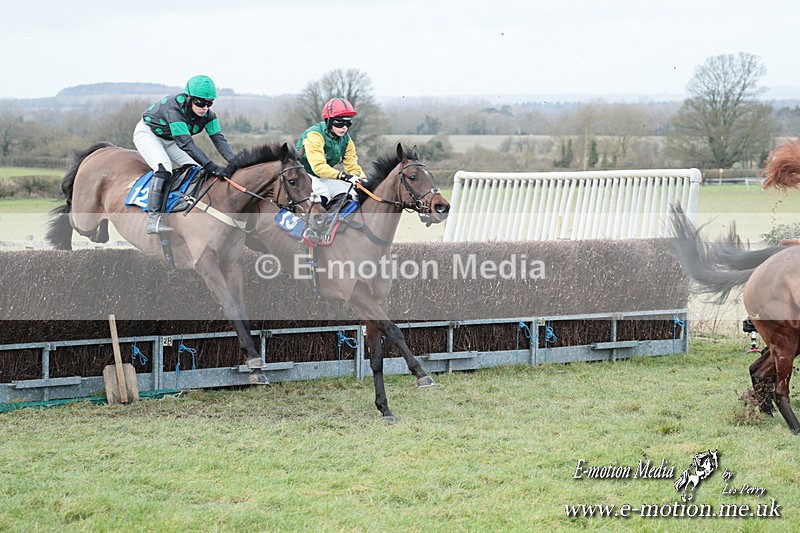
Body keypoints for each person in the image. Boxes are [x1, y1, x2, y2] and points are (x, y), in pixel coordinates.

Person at [133, 75, 235, 234]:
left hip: (171, 139)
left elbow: (219, 139)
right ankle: (153, 219)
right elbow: (186, 144)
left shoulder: (209, 116)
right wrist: (212, 166)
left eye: (209, 103)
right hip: (149, 134)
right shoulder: (174, 111)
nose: (205, 108)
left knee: (196, 169)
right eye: (200, 102)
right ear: (188, 98)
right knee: (163, 169)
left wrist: (236, 163)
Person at [296, 97, 367, 207]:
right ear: (328, 121)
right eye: (339, 123)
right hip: (302, 174)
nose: (344, 128)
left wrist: (363, 180)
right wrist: (343, 176)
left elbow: (352, 166)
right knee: (323, 192)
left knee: (352, 193)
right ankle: (314, 222)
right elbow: (318, 167)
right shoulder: (314, 135)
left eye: (348, 123)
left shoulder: (347, 140)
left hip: (322, 176)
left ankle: (338, 223)